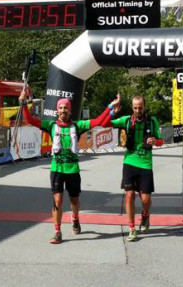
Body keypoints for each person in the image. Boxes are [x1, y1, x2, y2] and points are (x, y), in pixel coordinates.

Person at [19, 91, 120, 244]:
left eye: (65, 108)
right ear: (57, 110)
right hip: (57, 168)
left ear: (70, 110)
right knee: (57, 200)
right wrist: (23, 103)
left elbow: (98, 121)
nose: (62, 111)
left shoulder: (78, 126)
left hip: (72, 169)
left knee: (74, 199)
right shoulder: (51, 125)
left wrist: (110, 107)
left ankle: (75, 219)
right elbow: (30, 120)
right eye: (60, 108)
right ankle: (57, 231)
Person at [105, 96, 163, 242]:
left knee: (145, 199)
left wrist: (155, 141)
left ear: (145, 106)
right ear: (132, 107)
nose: (138, 110)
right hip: (130, 161)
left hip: (145, 163)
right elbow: (104, 123)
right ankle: (131, 228)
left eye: (140, 107)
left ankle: (145, 215)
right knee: (129, 195)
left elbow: (161, 141)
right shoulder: (125, 120)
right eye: (135, 108)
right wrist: (111, 109)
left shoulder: (152, 121)